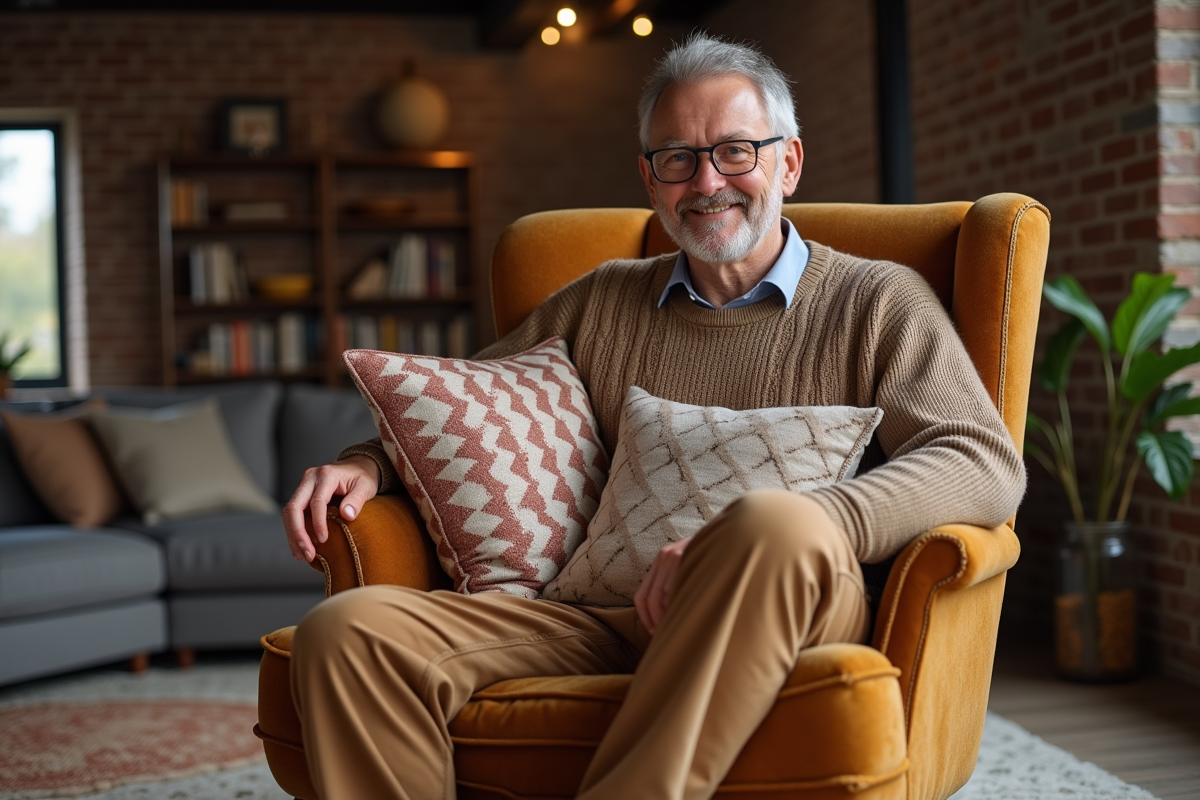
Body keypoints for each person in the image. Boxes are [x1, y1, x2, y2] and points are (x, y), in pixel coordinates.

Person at [283, 33, 1025, 800]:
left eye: (735, 151)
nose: (707, 182)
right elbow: (467, 401)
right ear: (650, 179)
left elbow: (982, 461)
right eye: (678, 158)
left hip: (786, 608)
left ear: (789, 163)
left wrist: (753, 538)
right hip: (595, 616)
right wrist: (366, 464)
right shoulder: (601, 299)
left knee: (771, 522)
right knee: (347, 633)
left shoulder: (878, 301)